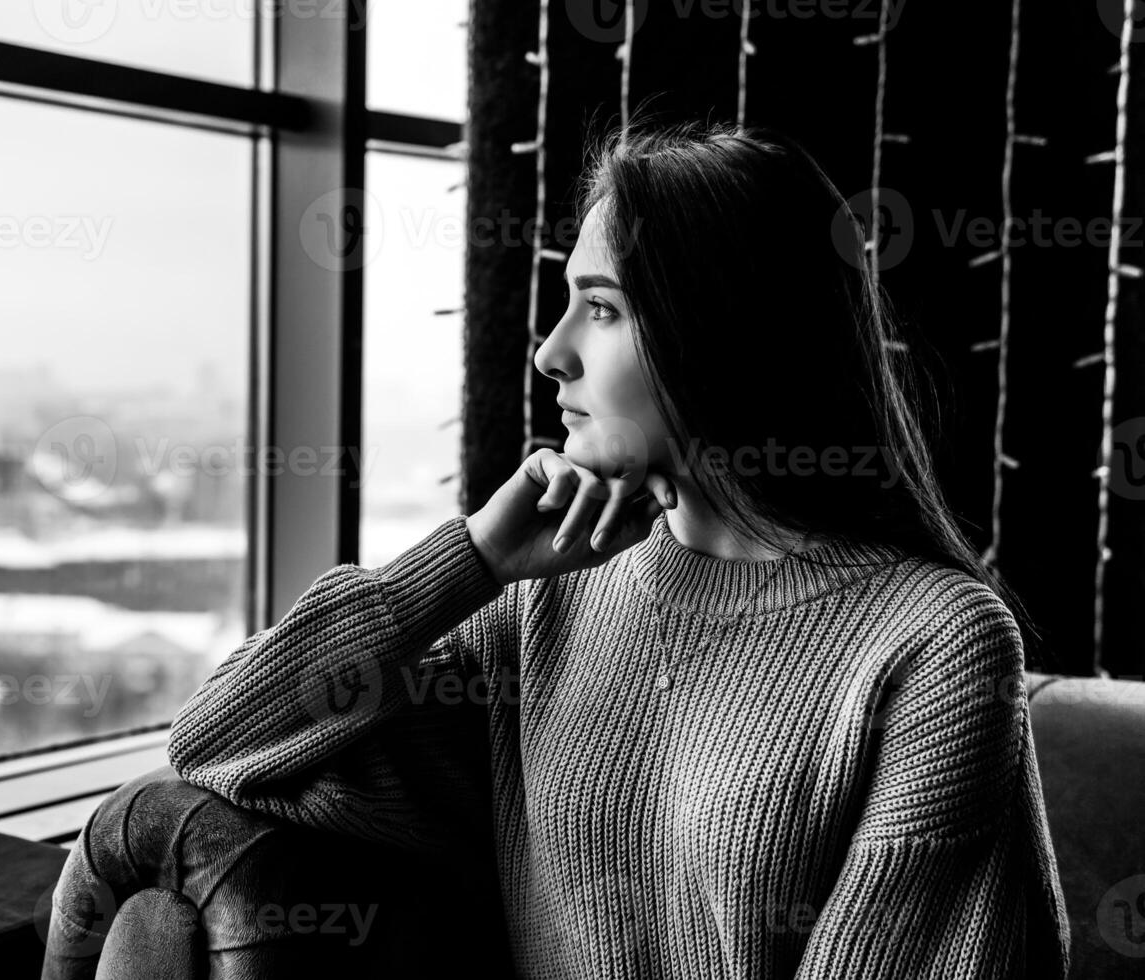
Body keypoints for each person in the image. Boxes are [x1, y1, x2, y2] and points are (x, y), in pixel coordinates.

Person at [159, 118, 1071, 977]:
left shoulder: (934, 643)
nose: (550, 353)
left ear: (721, 328)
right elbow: (219, 736)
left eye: (600, 308)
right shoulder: (545, 601)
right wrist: (469, 561)